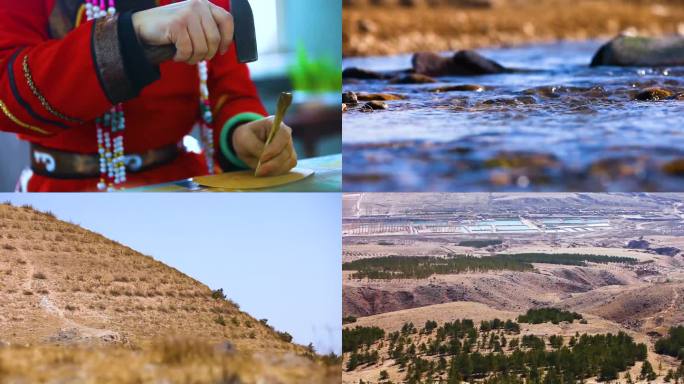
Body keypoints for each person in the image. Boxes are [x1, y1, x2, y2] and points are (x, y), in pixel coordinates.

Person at [0, 0, 298, 192]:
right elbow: (7, 91)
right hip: (66, 195)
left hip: (184, 189)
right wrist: (132, 32)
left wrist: (241, 133)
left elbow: (228, 90)